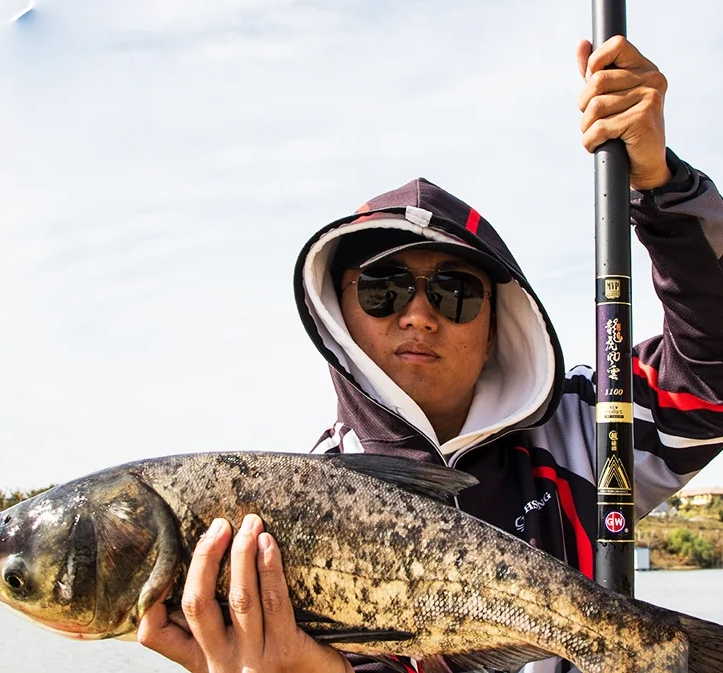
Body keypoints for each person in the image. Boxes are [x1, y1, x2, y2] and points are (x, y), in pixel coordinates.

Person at [137, 36, 723, 673]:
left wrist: (663, 188)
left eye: (455, 291)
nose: (419, 314)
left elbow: (710, 374)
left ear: (499, 324)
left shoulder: (588, 425)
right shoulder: (289, 519)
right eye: (383, 289)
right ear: (340, 315)